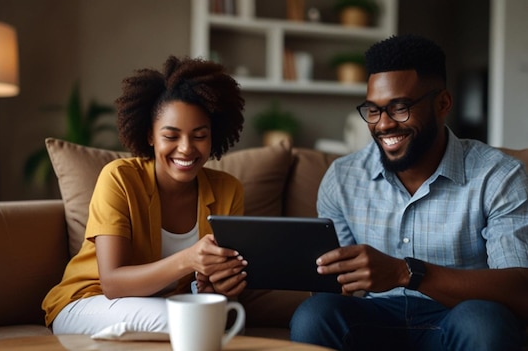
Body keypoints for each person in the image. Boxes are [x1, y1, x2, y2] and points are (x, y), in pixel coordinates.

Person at [290, 34, 528, 350]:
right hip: (374, 317)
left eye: (399, 107)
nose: (384, 124)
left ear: (443, 103)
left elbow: (520, 289)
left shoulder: (498, 174)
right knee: (314, 315)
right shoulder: (343, 177)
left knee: (483, 322)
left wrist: (407, 272)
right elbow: (334, 284)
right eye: (373, 111)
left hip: (458, 314)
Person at [42, 55, 248, 334]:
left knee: (216, 321)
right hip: (89, 301)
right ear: (150, 136)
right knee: (183, 325)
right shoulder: (120, 179)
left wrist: (222, 287)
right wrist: (188, 258)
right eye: (171, 136)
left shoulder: (228, 190)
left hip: (161, 305)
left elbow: (220, 289)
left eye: (199, 135)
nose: (186, 148)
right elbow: (113, 283)